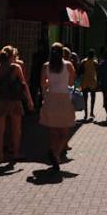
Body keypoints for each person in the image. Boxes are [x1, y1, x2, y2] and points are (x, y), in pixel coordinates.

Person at [0, 45, 34, 164]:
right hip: (14, 101)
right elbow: (24, 85)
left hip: (0, 100)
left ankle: (0, 155)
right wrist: (30, 101)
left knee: (0, 130)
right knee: (16, 129)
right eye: (14, 56)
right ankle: (15, 153)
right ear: (11, 56)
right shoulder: (16, 68)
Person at [39, 42, 77, 171]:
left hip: (51, 98)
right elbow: (71, 82)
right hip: (64, 98)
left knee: (53, 130)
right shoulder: (68, 65)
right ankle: (56, 153)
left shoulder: (45, 66)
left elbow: (43, 84)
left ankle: (53, 151)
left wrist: (51, 82)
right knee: (65, 130)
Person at [80, 49, 98, 120]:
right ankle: (91, 112)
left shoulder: (83, 61)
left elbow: (80, 71)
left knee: (85, 99)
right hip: (92, 82)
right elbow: (98, 71)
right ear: (93, 55)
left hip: (85, 81)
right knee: (93, 98)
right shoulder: (95, 62)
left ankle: (86, 114)